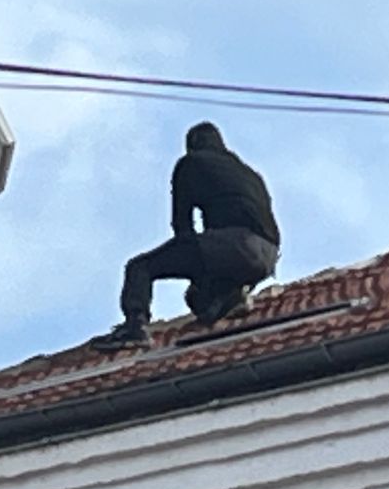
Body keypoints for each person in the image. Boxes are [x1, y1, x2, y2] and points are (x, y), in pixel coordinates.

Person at [96, 122, 280, 349]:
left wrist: (191, 268)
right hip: (268, 255)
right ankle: (232, 297)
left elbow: (182, 226)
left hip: (234, 245)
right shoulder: (250, 174)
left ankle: (135, 327)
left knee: (140, 267)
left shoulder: (191, 164)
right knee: (200, 299)